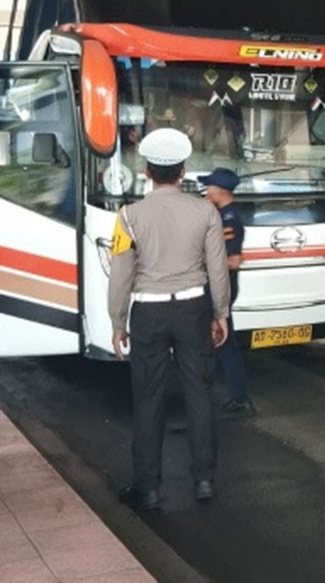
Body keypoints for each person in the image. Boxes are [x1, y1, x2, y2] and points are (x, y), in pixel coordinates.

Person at [108, 129, 231, 511]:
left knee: (148, 399)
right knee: (199, 392)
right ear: (182, 171)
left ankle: (147, 487)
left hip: (149, 311)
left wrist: (117, 321)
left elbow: (120, 274)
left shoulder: (128, 216)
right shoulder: (205, 211)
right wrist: (220, 313)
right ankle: (205, 480)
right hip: (193, 308)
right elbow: (217, 269)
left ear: (146, 171)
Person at [199, 167, 254, 415]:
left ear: (220, 190)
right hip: (218, 283)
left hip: (221, 285)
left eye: (209, 187)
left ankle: (240, 398)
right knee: (215, 340)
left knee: (222, 340)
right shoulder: (220, 213)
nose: (206, 190)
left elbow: (233, 260)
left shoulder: (228, 219)